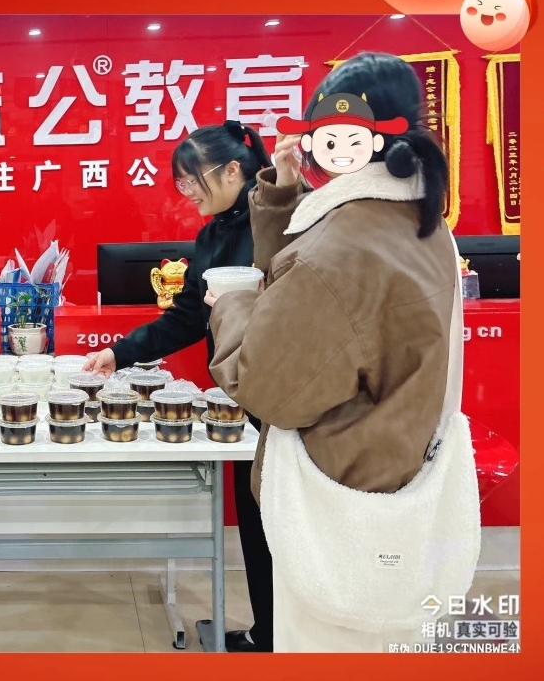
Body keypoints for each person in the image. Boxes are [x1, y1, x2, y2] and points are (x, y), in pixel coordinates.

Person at [205, 52, 480, 651]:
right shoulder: (416, 217)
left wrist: (229, 306)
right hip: (400, 467)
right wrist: (285, 195)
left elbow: (266, 383)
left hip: (341, 488)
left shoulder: (341, 247)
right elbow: (303, 285)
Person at [84, 119, 281, 652]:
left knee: (287, 523)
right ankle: (268, 635)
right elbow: (188, 317)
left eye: (192, 179)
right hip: (243, 396)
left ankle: (297, 639)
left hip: (286, 395)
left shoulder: (280, 223)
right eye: (181, 182)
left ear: (233, 170)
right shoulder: (213, 234)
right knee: (257, 519)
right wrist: (119, 352)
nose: (186, 191)